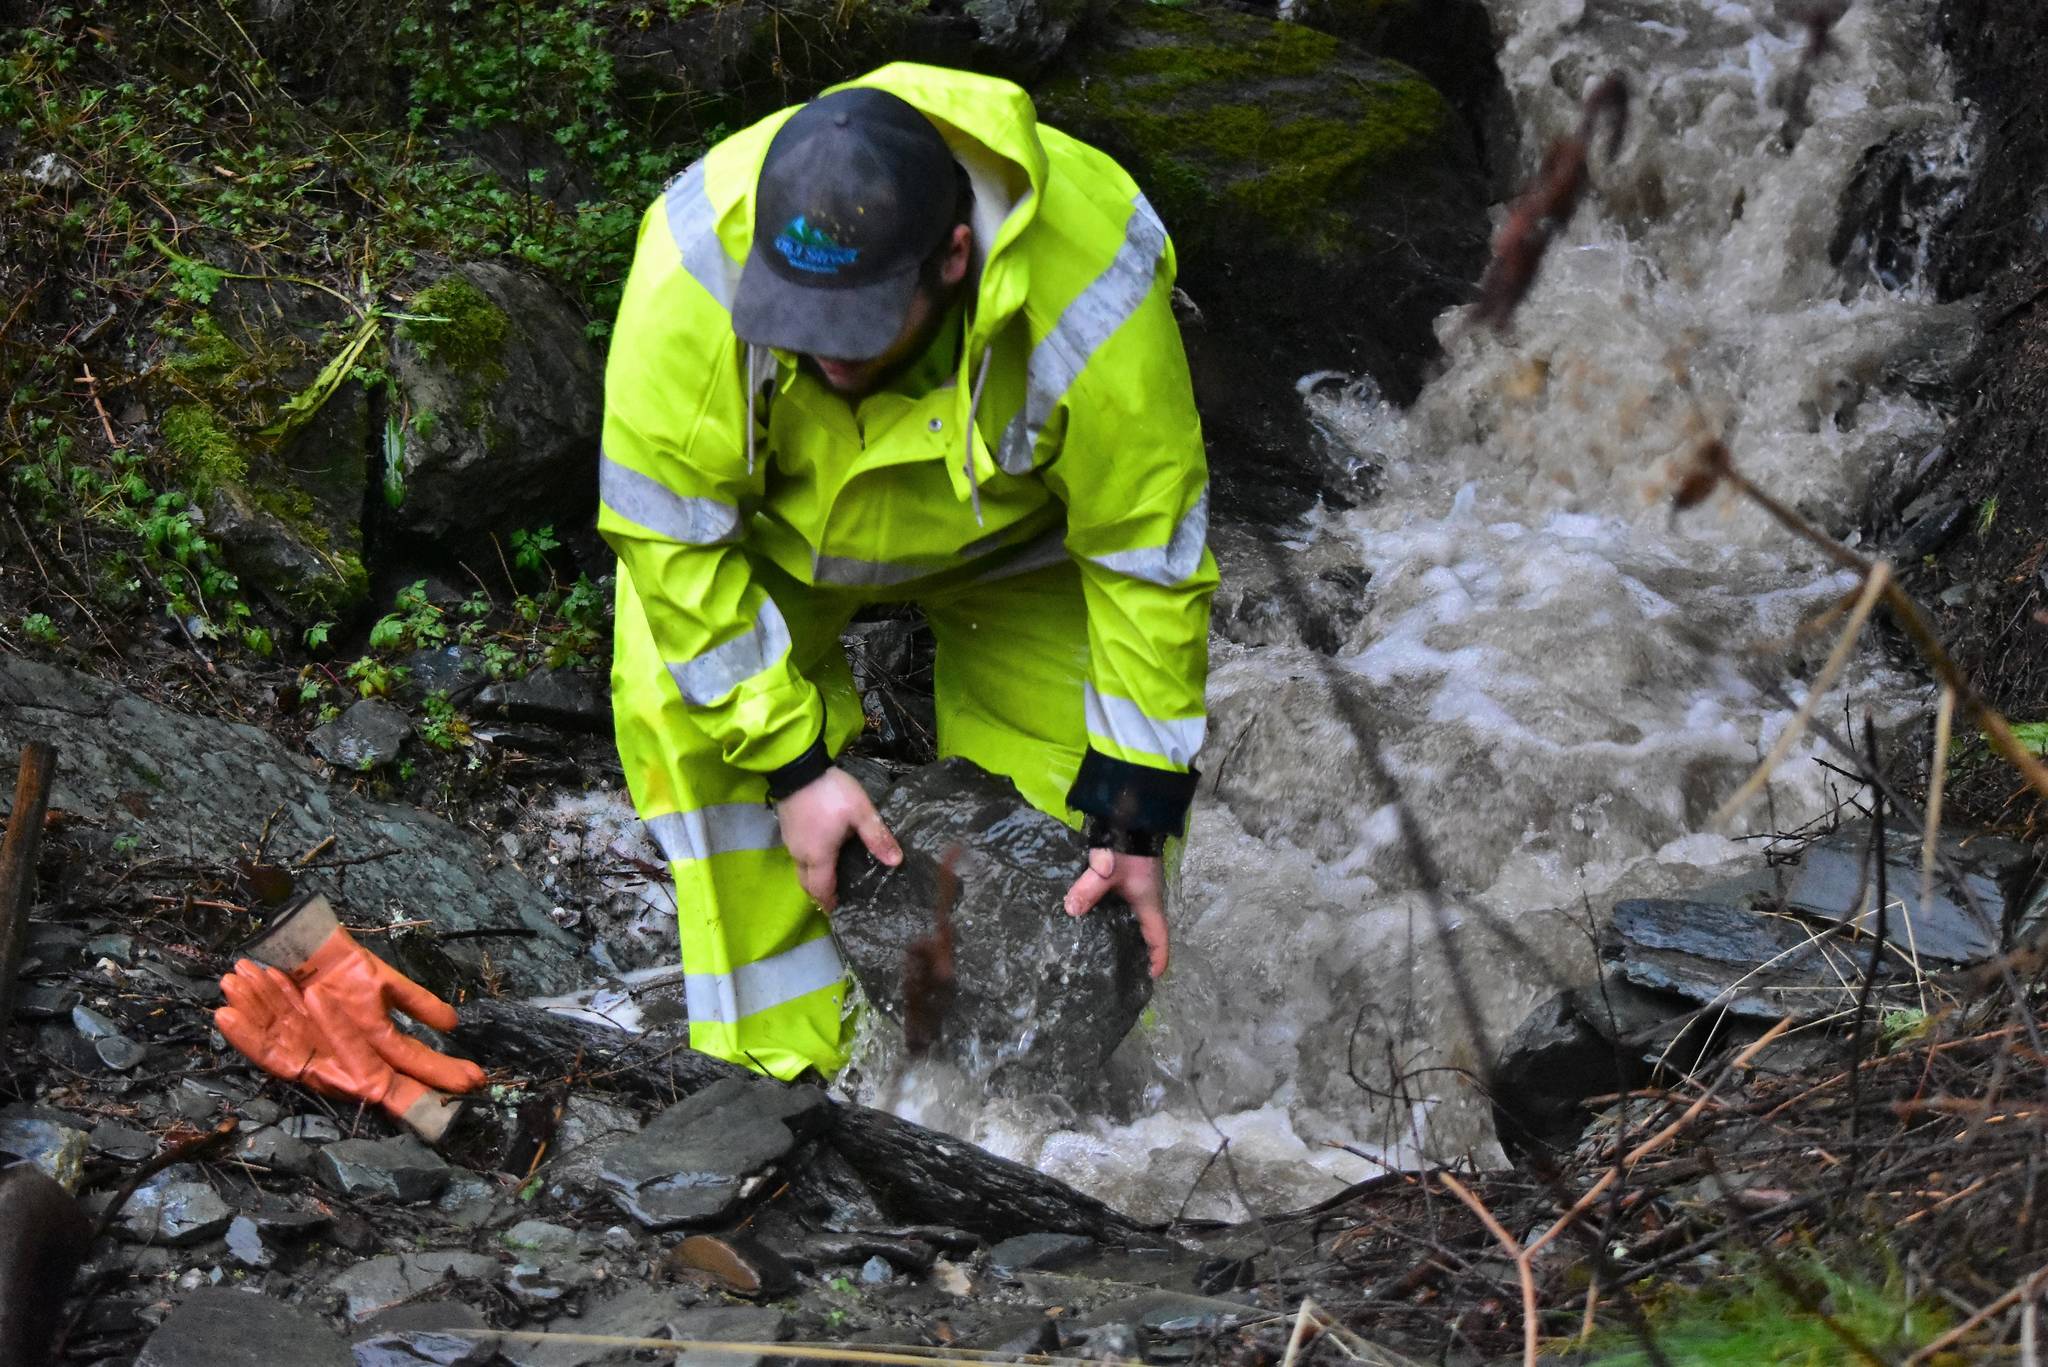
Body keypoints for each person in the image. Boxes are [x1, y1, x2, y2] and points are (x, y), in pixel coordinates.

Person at [598, 62, 1216, 1081]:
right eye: (802, 327)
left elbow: (1144, 566)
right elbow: (670, 544)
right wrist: (792, 766)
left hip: (1018, 550)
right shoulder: (693, 268)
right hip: (777, 539)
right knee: (681, 705)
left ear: (953, 258)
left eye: (855, 328)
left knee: (1079, 877)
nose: (827, 356)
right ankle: (782, 1083)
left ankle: (1050, 1120)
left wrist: (1134, 817)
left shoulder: (1090, 285)